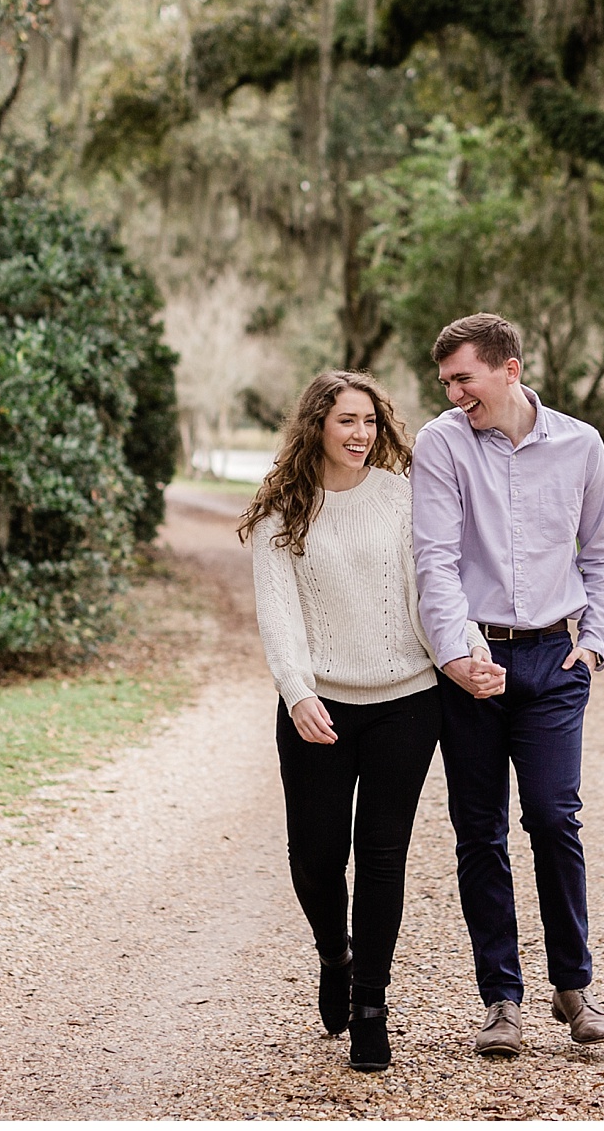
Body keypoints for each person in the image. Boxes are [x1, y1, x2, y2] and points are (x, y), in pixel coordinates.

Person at [410, 312, 604, 1058]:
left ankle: (575, 986)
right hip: (470, 663)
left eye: (462, 378)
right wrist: (457, 652)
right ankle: (501, 999)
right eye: (446, 382)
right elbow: (434, 560)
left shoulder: (580, 444)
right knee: (480, 831)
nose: (453, 393)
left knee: (553, 817)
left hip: (552, 662)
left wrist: (593, 646)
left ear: (509, 368)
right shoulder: (442, 443)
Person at [239, 370, 456, 1073]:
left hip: (407, 699)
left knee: (384, 854)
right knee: (316, 855)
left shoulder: (402, 497)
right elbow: (279, 614)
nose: (360, 433)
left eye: (369, 420)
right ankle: (335, 951)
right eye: (345, 421)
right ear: (317, 428)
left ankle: (371, 1007)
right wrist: (297, 691)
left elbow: (430, 591)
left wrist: (465, 655)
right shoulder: (283, 511)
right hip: (318, 708)